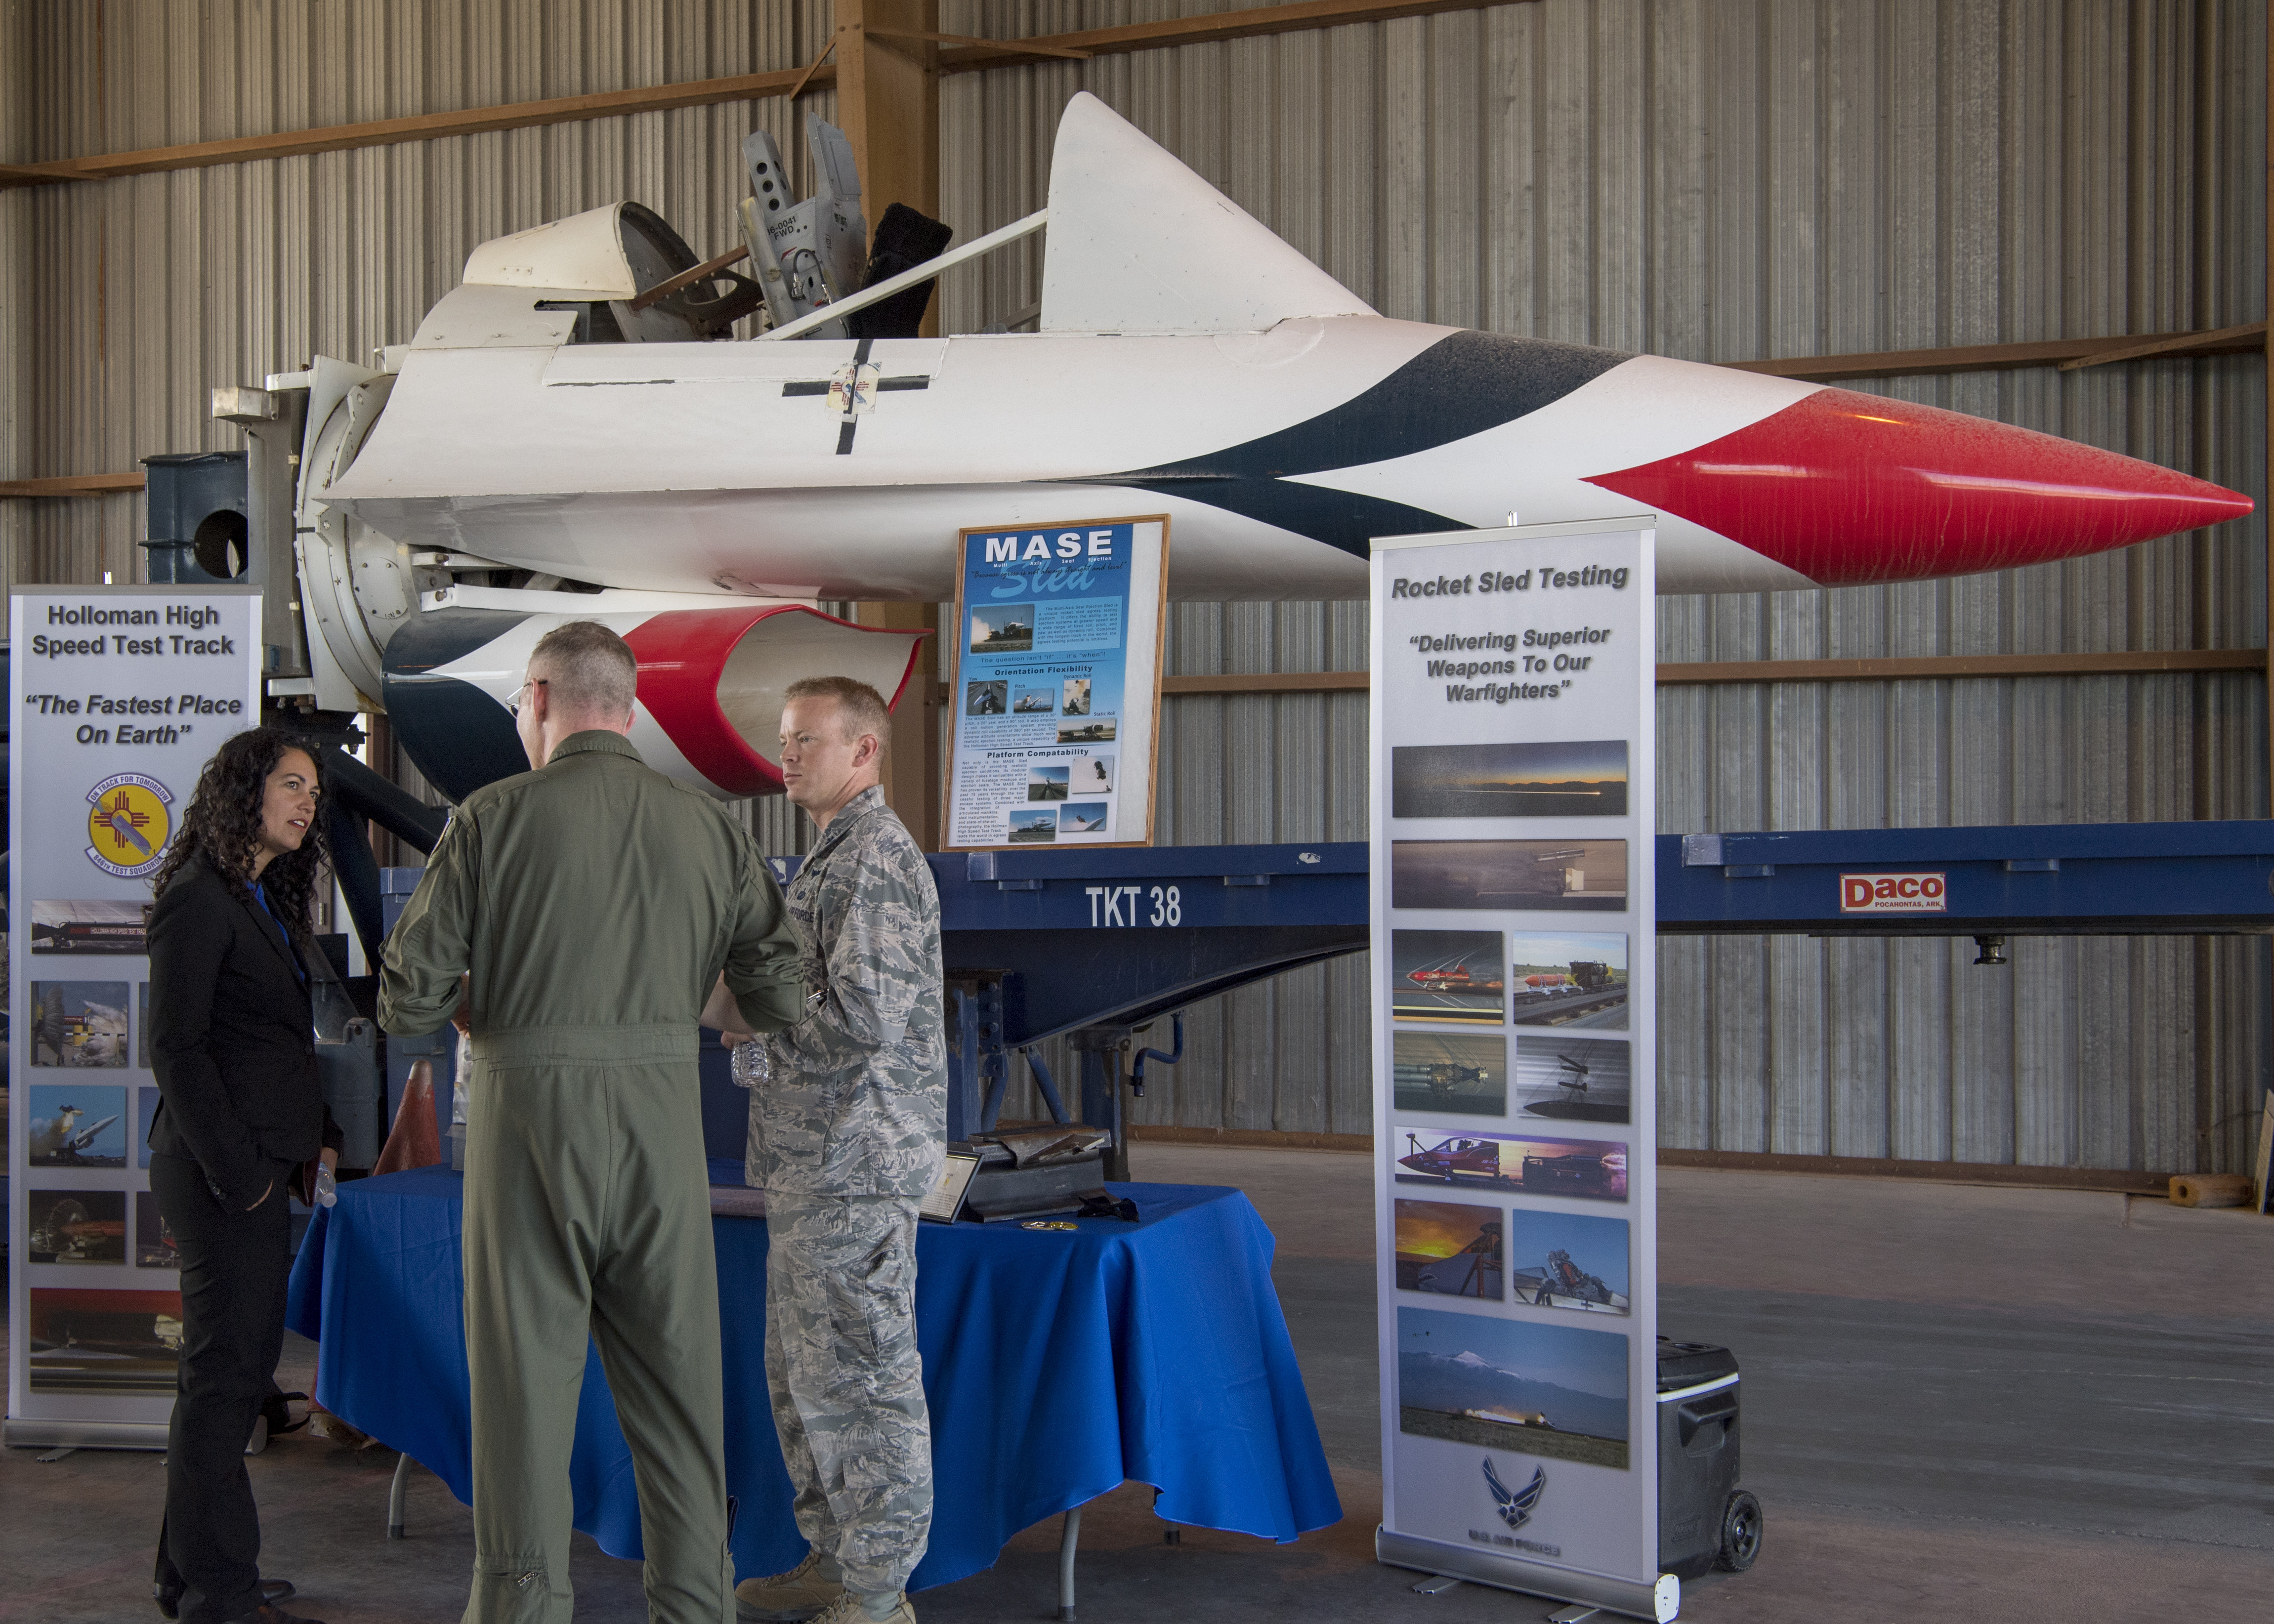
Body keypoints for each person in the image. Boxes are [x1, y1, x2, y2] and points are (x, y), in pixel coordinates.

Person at [379, 622, 802, 1624]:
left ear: (536, 700)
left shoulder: (488, 819)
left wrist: (493, 1003)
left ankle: (521, 1608)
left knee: (524, 1407)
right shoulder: (706, 826)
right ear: (629, 703)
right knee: (680, 1405)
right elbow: (781, 995)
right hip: (660, 1131)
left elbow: (407, 1003)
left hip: (528, 1133)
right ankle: (698, 1607)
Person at [720, 677, 946, 1624]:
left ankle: (879, 1591)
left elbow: (862, 1018)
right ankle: (837, 1559)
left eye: (807, 741)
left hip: (856, 1163)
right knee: (806, 1376)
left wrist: (745, 1027)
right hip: (818, 1163)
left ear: (865, 751)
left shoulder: (875, 859)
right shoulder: (831, 854)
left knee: (859, 1379)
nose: (786, 756)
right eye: (783, 740)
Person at [146, 727, 343, 1624]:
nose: (307, 802)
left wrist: (320, 1137)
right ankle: (219, 1594)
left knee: (222, 1378)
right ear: (244, 793)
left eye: (313, 791)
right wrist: (247, 1181)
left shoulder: (253, 898)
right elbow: (177, 1052)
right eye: (292, 785)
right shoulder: (198, 901)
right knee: (227, 1381)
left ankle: (189, 1575)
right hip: (223, 1176)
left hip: (260, 1166)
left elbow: (267, 1049)